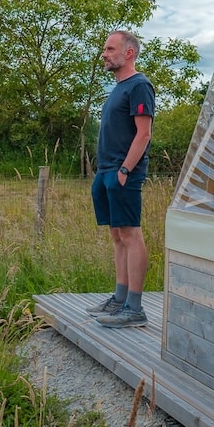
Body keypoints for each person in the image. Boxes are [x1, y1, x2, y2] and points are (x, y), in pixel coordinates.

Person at [88, 30, 155, 328]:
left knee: (130, 234)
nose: (104, 53)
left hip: (123, 172)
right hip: (106, 171)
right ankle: (119, 298)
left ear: (129, 53)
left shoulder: (139, 86)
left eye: (110, 48)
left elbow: (144, 134)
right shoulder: (118, 88)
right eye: (104, 49)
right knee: (117, 236)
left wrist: (125, 171)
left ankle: (135, 308)